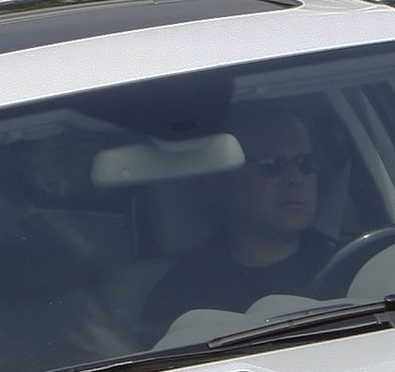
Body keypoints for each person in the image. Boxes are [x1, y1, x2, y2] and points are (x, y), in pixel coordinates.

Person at [140, 110, 340, 333]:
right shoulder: (183, 294)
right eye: (271, 163)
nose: (296, 178)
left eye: (305, 162)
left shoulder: (347, 265)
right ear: (222, 184)